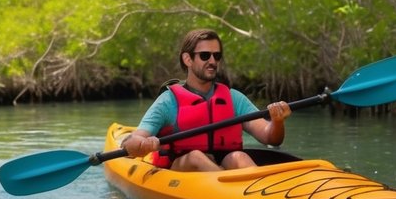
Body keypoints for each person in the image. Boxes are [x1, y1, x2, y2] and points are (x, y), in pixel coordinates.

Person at [121, 29, 292, 171]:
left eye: (216, 56)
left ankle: (259, 196)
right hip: (183, 170)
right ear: (187, 59)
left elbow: (271, 138)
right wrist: (143, 144)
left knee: (239, 156)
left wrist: (277, 121)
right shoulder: (168, 101)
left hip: (224, 166)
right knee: (197, 157)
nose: (212, 61)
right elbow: (131, 141)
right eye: (204, 55)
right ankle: (227, 192)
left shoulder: (233, 98)